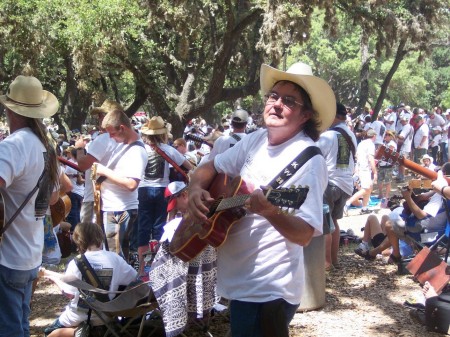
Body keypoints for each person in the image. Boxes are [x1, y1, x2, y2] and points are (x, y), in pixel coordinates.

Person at [186, 62, 335, 337]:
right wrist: (196, 189)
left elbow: (304, 234)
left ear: (305, 116)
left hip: (267, 287)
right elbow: (209, 167)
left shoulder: (309, 160)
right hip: (241, 280)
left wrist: (270, 211)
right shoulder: (255, 140)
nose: (277, 104)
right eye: (273, 96)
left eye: (289, 101)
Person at [0, 75, 60, 336]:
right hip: (29, 254)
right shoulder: (45, 147)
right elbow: (55, 197)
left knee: (10, 329)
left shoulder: (14, 146)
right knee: (21, 325)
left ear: (10, 109)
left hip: (8, 256)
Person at [41, 222, 138, 337]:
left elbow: (69, 293)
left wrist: (55, 280)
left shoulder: (76, 262)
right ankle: (92, 331)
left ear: (78, 240)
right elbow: (134, 279)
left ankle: (82, 332)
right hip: (107, 316)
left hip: (79, 316)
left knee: (49, 332)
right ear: (100, 236)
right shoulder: (115, 258)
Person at [149, 181, 218, 337]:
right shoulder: (184, 217)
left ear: (185, 195)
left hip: (192, 269)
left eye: (176, 203)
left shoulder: (203, 211)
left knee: (161, 271)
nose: (177, 209)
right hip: (199, 271)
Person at [136, 116, 192, 279]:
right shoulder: (168, 150)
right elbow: (188, 166)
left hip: (144, 190)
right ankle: (158, 266)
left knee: (143, 228)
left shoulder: (141, 150)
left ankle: (142, 269)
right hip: (162, 191)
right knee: (160, 227)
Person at [96, 109, 148, 261]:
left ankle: (119, 285)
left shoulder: (137, 151)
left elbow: (132, 184)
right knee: (113, 256)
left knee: (115, 259)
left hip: (120, 210)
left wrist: (105, 171)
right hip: (113, 209)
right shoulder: (123, 145)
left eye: (112, 133)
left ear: (123, 128)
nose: (110, 138)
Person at [317, 102, 357, 270]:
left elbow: (316, 156)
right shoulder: (351, 134)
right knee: (334, 221)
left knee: (326, 225)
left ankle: (326, 263)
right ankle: (334, 260)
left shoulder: (328, 136)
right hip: (346, 185)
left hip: (330, 183)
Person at [75, 99, 124, 224]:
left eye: (102, 115)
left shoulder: (103, 139)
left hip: (95, 197)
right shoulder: (125, 139)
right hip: (116, 198)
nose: (99, 118)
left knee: (88, 238)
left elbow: (83, 165)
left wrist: (79, 148)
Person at [344, 129, 378, 215]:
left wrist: (357, 169)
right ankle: (347, 203)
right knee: (365, 189)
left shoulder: (361, 143)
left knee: (369, 188)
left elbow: (357, 156)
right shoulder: (371, 144)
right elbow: (371, 159)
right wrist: (375, 172)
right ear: (374, 136)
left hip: (360, 167)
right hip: (365, 168)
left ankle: (364, 207)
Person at [377, 130, 397, 208]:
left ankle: (386, 195)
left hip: (388, 164)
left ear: (391, 136)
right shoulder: (385, 143)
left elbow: (389, 153)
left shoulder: (392, 144)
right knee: (380, 180)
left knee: (387, 181)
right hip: (382, 163)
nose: (386, 136)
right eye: (386, 135)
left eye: (388, 135)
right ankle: (381, 193)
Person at [396, 115, 414, 182]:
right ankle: (400, 175)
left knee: (401, 162)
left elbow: (402, 137)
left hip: (404, 147)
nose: (401, 122)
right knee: (401, 162)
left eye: (402, 121)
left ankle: (401, 177)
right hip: (407, 147)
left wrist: (395, 134)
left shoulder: (406, 127)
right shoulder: (411, 127)